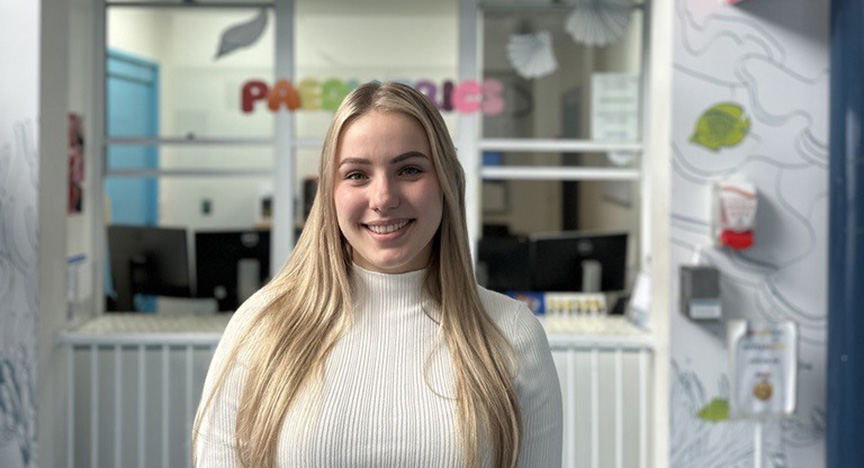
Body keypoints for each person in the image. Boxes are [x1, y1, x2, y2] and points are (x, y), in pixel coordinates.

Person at [192, 81, 562, 468]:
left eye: (409, 169)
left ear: (446, 183)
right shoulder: (262, 325)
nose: (384, 198)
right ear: (329, 192)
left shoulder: (511, 333)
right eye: (356, 175)